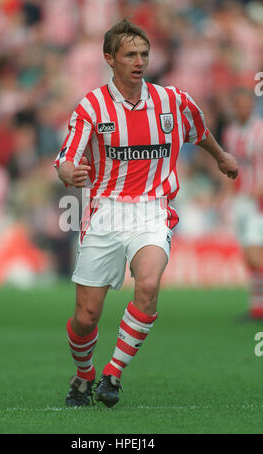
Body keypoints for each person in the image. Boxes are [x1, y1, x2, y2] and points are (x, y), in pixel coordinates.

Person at [54, 19, 238, 408]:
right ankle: (83, 376)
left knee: (150, 284)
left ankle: (112, 375)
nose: (139, 62)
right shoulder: (92, 106)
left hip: (152, 209)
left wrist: (221, 156)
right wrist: (70, 172)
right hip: (105, 212)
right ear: (109, 58)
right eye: (129, 55)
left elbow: (198, 131)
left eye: (143, 54)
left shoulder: (173, 101)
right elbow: (67, 158)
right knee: (86, 316)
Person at [222, 87, 263, 320]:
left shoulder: (260, 130)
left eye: (245, 104)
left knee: (254, 252)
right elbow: (230, 167)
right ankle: (258, 308)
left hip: (259, 201)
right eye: (237, 105)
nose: (241, 109)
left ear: (251, 105)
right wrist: (225, 194)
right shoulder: (231, 132)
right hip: (241, 201)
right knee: (249, 256)